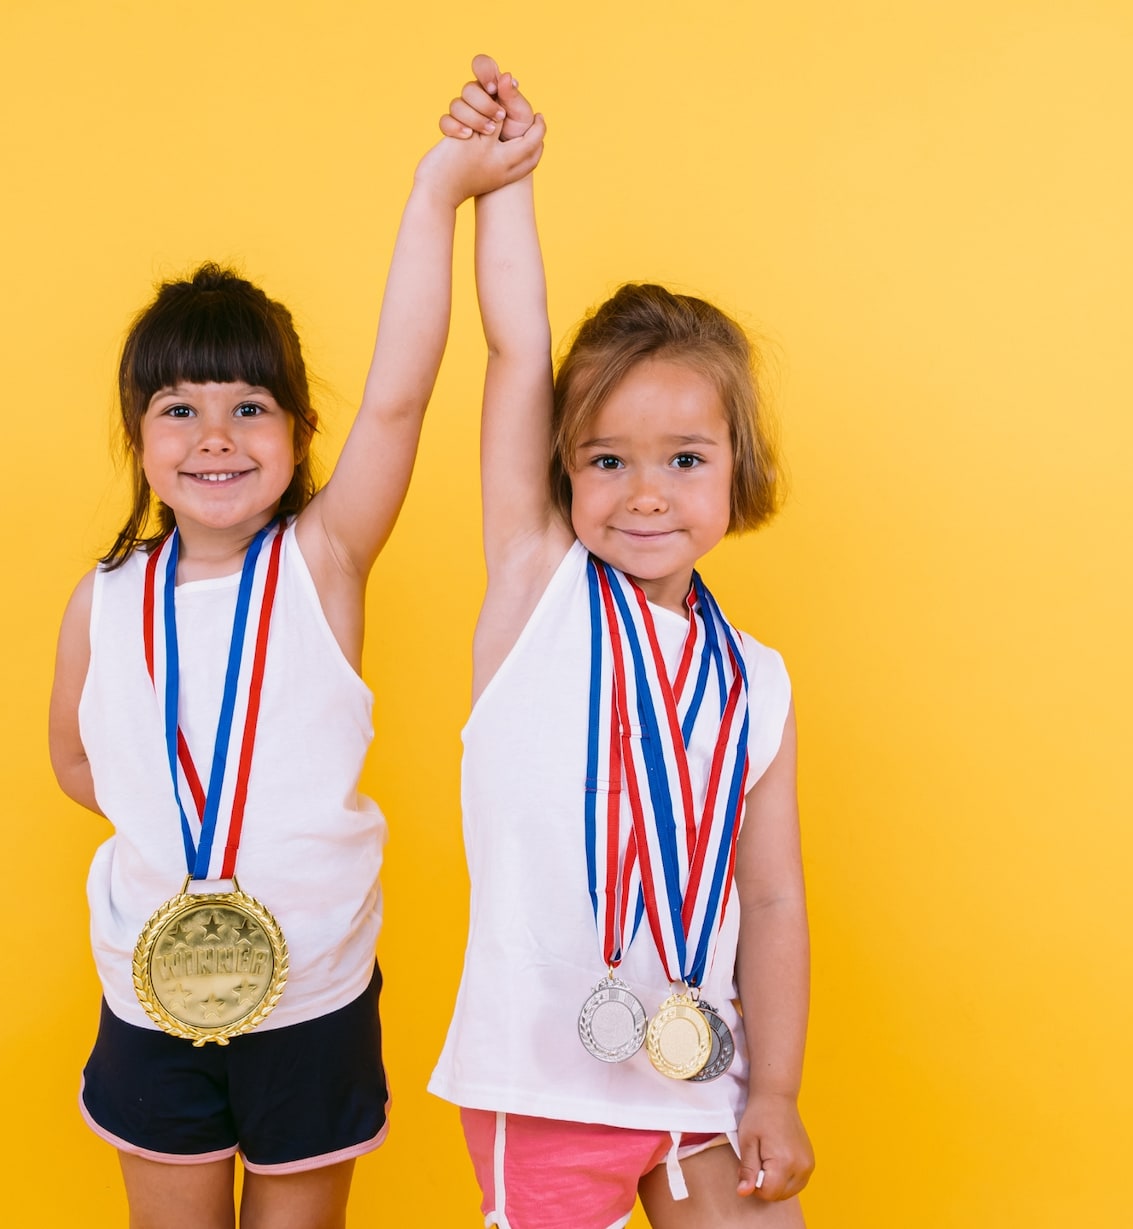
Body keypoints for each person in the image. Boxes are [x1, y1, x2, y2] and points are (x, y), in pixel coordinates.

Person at [47, 92, 545, 1229]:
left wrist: (439, 192)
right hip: (148, 993)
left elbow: (403, 394)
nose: (214, 435)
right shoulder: (103, 599)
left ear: (302, 431)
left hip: (313, 993)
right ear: (138, 438)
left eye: (248, 406)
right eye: (179, 407)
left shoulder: (321, 562)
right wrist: (182, 843)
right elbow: (76, 757)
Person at [429, 56, 817, 1228]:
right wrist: (503, 182)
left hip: (699, 1069)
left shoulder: (754, 678)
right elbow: (513, 348)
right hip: (541, 1074)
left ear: (734, 469)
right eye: (606, 458)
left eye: (683, 458)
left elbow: (775, 892)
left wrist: (780, 1085)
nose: (643, 493)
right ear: (562, 471)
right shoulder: (538, 586)